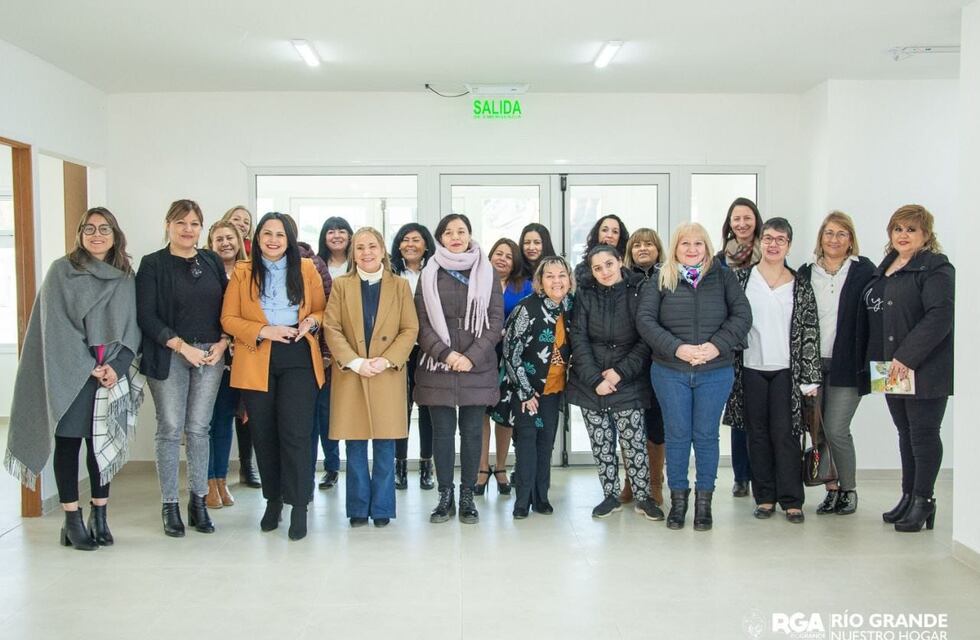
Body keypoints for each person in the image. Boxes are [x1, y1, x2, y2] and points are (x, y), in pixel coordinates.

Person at [6, 207, 143, 550]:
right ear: (80, 234)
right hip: (71, 373)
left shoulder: (125, 275)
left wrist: (117, 366)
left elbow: (132, 329)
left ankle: (100, 514)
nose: (97, 235)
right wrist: (87, 366)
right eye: (90, 229)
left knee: (101, 447)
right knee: (69, 444)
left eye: (104, 229)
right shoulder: (61, 272)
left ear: (115, 235)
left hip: (110, 374)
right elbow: (54, 329)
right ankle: (71, 518)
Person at [637, 223, 751, 531]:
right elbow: (645, 320)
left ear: (707, 246)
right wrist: (678, 349)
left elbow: (742, 316)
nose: (691, 248)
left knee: (705, 436)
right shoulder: (662, 277)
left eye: (698, 243)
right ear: (674, 247)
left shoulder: (724, 277)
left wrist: (716, 347)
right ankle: (678, 504)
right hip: (670, 371)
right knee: (676, 436)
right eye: (684, 243)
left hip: (714, 371)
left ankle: (704, 505)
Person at [221, 212, 327, 541]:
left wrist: (310, 322)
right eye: (267, 233)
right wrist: (264, 329)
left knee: (296, 433)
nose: (273, 240)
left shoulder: (307, 269)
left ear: (290, 239)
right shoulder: (242, 272)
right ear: (257, 238)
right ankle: (273, 500)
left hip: (298, 354)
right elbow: (228, 319)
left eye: (280, 234)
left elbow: (322, 309)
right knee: (264, 434)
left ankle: (299, 505)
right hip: (258, 355)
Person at [857, 205, 954, 533]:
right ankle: (908, 496)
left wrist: (906, 358)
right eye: (898, 229)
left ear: (926, 234)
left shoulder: (936, 268)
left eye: (911, 229)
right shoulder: (886, 267)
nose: (903, 235)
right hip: (889, 365)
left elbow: (939, 317)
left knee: (924, 434)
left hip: (921, 366)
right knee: (905, 433)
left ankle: (924, 500)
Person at [137, 199, 229, 537]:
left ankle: (199, 502)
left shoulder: (211, 261)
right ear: (167, 225)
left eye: (194, 224)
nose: (188, 229)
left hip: (210, 356)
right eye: (181, 223)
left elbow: (226, 307)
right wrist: (181, 347)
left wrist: (223, 342)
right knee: (171, 429)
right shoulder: (153, 264)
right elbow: (146, 316)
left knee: (198, 430)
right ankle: (170, 505)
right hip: (170, 353)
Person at [724, 218, 821, 524]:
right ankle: (764, 497)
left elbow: (809, 332)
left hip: (786, 372)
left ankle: (792, 500)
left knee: (787, 435)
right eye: (768, 238)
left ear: (788, 245)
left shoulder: (800, 285)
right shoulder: (741, 280)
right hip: (750, 369)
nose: (773, 244)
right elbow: (729, 321)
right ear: (760, 242)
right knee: (757, 435)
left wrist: (810, 378)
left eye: (780, 239)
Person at [323, 227, 419, 527]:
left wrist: (387, 360)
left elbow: (410, 329)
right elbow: (332, 327)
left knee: (385, 445)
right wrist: (354, 361)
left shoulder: (400, 286)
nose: (366, 252)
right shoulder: (341, 285)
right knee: (354, 444)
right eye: (360, 247)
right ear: (353, 252)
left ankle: (382, 509)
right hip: (351, 372)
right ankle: (357, 509)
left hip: (386, 373)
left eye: (372, 246)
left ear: (382, 251)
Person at [414, 213, 504, 525]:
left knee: (471, 432)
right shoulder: (429, 273)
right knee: (441, 433)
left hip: (476, 367)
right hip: (437, 365)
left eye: (461, 231)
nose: (456, 236)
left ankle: (467, 497)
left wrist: (470, 357)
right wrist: (446, 354)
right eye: (449, 232)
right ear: (440, 238)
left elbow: (494, 322)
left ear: (469, 235)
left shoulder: (486, 271)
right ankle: (445, 496)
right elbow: (421, 323)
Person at [568, 245, 662, 521]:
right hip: (591, 381)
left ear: (620, 262)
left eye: (609, 264)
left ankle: (644, 497)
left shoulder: (640, 290)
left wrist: (619, 373)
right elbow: (579, 339)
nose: (604, 272)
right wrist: (596, 378)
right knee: (601, 442)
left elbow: (645, 339)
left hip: (628, 379)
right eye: (598, 268)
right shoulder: (585, 293)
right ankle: (610, 495)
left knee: (633, 443)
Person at [797, 212, 875, 515]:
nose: (834, 239)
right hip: (813, 365)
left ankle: (849, 489)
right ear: (821, 238)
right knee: (817, 430)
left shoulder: (865, 271)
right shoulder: (806, 272)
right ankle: (830, 489)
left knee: (837, 428)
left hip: (848, 365)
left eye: (842, 234)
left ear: (851, 240)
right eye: (829, 233)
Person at [492, 256, 573, 518]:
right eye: (549, 276)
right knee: (527, 443)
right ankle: (521, 502)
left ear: (569, 280)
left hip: (554, 391)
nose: (556, 281)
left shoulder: (570, 308)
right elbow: (510, 352)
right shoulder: (526, 309)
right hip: (526, 391)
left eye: (561, 275)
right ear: (539, 281)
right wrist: (526, 392)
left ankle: (541, 497)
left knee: (545, 443)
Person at [474, 238, 533, 496]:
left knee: (505, 414)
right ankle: (482, 467)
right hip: (480, 357)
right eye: (498, 254)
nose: (502, 259)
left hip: (511, 359)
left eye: (509, 256)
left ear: (515, 262)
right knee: (481, 413)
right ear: (489, 257)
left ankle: (500, 467)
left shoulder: (525, 286)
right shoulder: (476, 283)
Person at [715, 197, 764, 499]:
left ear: (756, 220)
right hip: (731, 343)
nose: (742, 224)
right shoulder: (720, 260)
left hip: (763, 339)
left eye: (747, 218)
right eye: (736, 219)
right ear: (729, 224)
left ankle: (761, 473)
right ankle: (741, 475)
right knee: (737, 411)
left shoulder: (769, 254)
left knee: (761, 410)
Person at [620, 227, 667, 506]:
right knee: (629, 425)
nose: (643, 249)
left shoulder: (668, 277)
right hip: (628, 362)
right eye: (637, 245)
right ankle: (631, 481)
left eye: (649, 244)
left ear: (659, 249)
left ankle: (654, 483)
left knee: (655, 425)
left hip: (660, 360)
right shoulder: (623, 280)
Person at [204, 220, 247, 510]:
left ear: (241, 241)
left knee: (225, 419)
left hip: (240, 356)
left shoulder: (248, 272)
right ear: (210, 243)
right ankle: (208, 481)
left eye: (230, 238)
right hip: (210, 354)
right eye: (218, 239)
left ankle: (221, 479)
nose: (225, 243)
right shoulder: (204, 272)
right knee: (204, 422)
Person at [390, 223, 437, 490]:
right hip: (399, 350)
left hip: (428, 348)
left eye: (415, 240)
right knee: (401, 409)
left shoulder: (435, 273)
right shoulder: (390, 274)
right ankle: (399, 466)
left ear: (426, 245)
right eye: (405, 239)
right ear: (398, 246)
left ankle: (426, 467)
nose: (410, 244)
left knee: (428, 409)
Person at [218, 205, 261, 489]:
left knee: (247, 413)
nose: (241, 226)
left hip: (246, 348)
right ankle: (215, 477)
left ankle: (248, 465)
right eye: (236, 220)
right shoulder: (208, 265)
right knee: (221, 413)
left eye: (246, 222)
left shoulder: (249, 268)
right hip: (217, 351)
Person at [313, 216, 352, 487]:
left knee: (349, 409)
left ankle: (354, 463)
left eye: (341, 231)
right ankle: (331, 466)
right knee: (324, 409)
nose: (336, 235)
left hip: (354, 347)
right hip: (322, 345)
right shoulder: (314, 265)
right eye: (331, 231)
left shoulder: (359, 263)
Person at [573, 214, 629, 286]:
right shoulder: (581, 270)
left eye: (615, 232)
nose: (609, 235)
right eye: (605, 230)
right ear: (597, 234)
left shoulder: (629, 266)